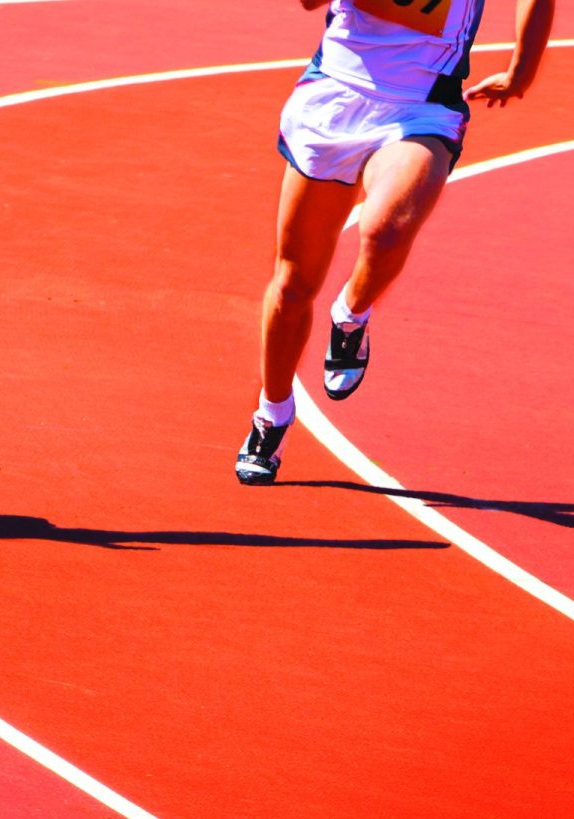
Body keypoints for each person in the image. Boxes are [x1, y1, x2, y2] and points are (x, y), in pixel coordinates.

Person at [235, 0, 555, 486]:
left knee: (387, 230)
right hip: (334, 98)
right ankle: (272, 413)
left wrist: (522, 70)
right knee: (294, 284)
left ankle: (352, 313)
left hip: (420, 106)